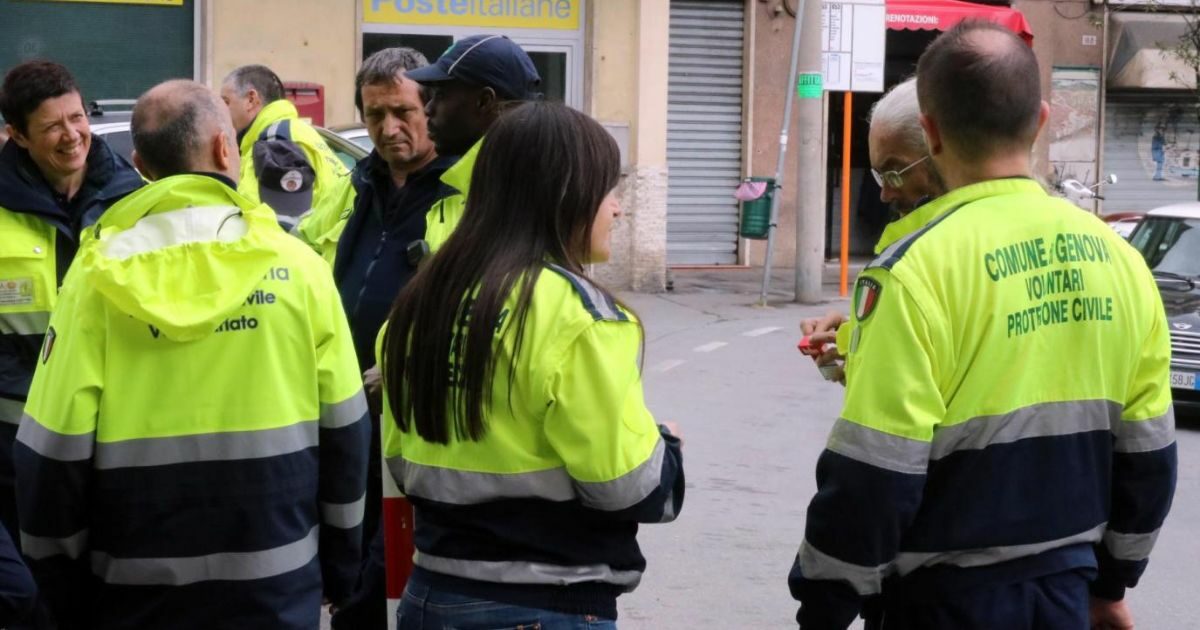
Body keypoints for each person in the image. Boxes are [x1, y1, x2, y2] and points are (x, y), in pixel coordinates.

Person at [788, 20, 1176, 630]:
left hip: (942, 601)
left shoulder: (913, 272)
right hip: (1065, 591)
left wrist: (824, 606)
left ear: (933, 132)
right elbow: (1149, 453)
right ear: (1043, 118)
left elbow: (874, 474)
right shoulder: (1124, 262)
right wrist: (1110, 582)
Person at [14, 79, 370, 629]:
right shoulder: (299, 269)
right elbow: (346, 433)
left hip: (134, 594)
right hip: (277, 589)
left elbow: (52, 454)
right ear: (227, 150)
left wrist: (60, 590)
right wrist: (341, 569)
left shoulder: (95, 277)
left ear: (139, 164)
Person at [379, 102, 684, 629]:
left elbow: (404, 464)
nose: (618, 209)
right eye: (609, 190)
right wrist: (668, 447)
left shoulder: (419, 302)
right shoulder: (580, 317)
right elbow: (630, 488)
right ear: (566, 194)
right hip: (544, 605)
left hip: (428, 597)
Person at [310, 47, 457, 630]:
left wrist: (402, 363)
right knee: (348, 562)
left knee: (391, 572)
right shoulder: (354, 184)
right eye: (374, 115)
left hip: (416, 414)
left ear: (430, 108)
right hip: (345, 408)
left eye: (402, 111)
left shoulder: (461, 193)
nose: (388, 128)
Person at [0, 60, 142, 558]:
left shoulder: (135, 200)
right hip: (17, 445)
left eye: (77, 117)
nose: (72, 135)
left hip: (118, 436)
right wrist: (48, 395)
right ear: (16, 135)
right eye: (52, 126)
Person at [800, 78, 947, 382]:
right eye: (879, 176)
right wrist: (856, 335)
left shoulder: (910, 268)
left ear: (940, 148)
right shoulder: (1067, 230)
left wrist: (865, 352)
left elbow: (885, 416)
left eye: (894, 174)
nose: (885, 194)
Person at [405, 34, 540, 252]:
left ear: (484, 101)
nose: (428, 109)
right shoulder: (459, 180)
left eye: (440, 95)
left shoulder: (528, 195)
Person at [220, 64, 348, 222]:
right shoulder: (298, 130)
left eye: (226, 102)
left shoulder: (275, 141)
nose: (222, 111)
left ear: (251, 100)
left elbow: (274, 223)